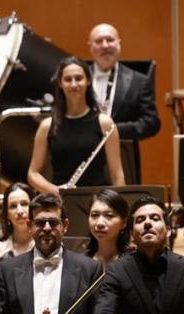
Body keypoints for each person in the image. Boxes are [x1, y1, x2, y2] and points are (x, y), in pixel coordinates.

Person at [28, 56, 124, 193]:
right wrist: (57, 192)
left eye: (79, 78)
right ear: (60, 83)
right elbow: (33, 174)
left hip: (97, 204)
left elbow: (117, 175)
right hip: (61, 202)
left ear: (88, 81)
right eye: (68, 79)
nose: (73, 84)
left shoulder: (105, 123)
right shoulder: (46, 126)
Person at [87, 23, 160, 179]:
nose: (105, 45)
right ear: (90, 47)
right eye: (99, 41)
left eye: (110, 40)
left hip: (123, 158)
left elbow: (151, 123)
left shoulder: (140, 81)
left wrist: (111, 130)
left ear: (119, 43)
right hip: (83, 157)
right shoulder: (77, 79)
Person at [0, 182, 34, 269]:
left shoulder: (44, 248)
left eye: (24, 204)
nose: (20, 211)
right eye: (13, 206)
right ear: (7, 214)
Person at [86, 188, 130, 268]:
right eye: (94, 215)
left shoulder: (133, 263)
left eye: (109, 215)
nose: (100, 223)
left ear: (124, 223)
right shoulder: (81, 263)